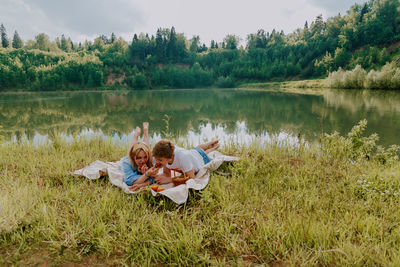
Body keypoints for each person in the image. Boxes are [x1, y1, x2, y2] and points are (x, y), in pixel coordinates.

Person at [152, 139, 219, 185]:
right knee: (196, 149)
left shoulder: (183, 157)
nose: (157, 161)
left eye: (160, 160)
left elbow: (191, 177)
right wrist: (157, 175)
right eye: (156, 159)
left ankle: (213, 147)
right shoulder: (166, 154)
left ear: (170, 158)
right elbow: (166, 173)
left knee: (204, 153)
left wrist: (170, 180)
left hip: (202, 159)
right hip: (193, 152)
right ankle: (209, 143)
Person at [120, 122, 159, 191]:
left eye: (145, 157)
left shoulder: (151, 159)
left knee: (145, 148)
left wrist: (142, 182)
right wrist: (146, 175)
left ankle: (145, 132)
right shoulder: (126, 163)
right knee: (130, 151)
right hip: (130, 157)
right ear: (133, 157)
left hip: (146, 153)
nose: (143, 161)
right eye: (138, 158)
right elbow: (130, 182)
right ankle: (136, 135)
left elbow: (155, 178)